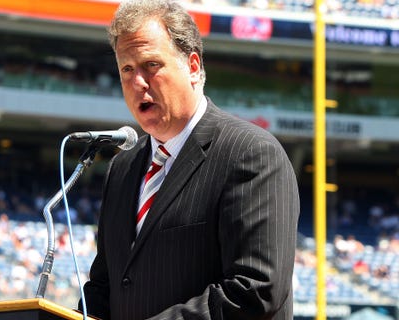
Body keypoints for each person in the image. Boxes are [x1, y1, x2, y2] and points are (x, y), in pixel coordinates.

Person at [79, 0, 300, 319]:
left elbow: (255, 290)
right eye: (127, 69)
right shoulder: (122, 167)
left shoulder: (250, 153)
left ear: (193, 67)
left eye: (151, 65)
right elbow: (106, 285)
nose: (137, 82)